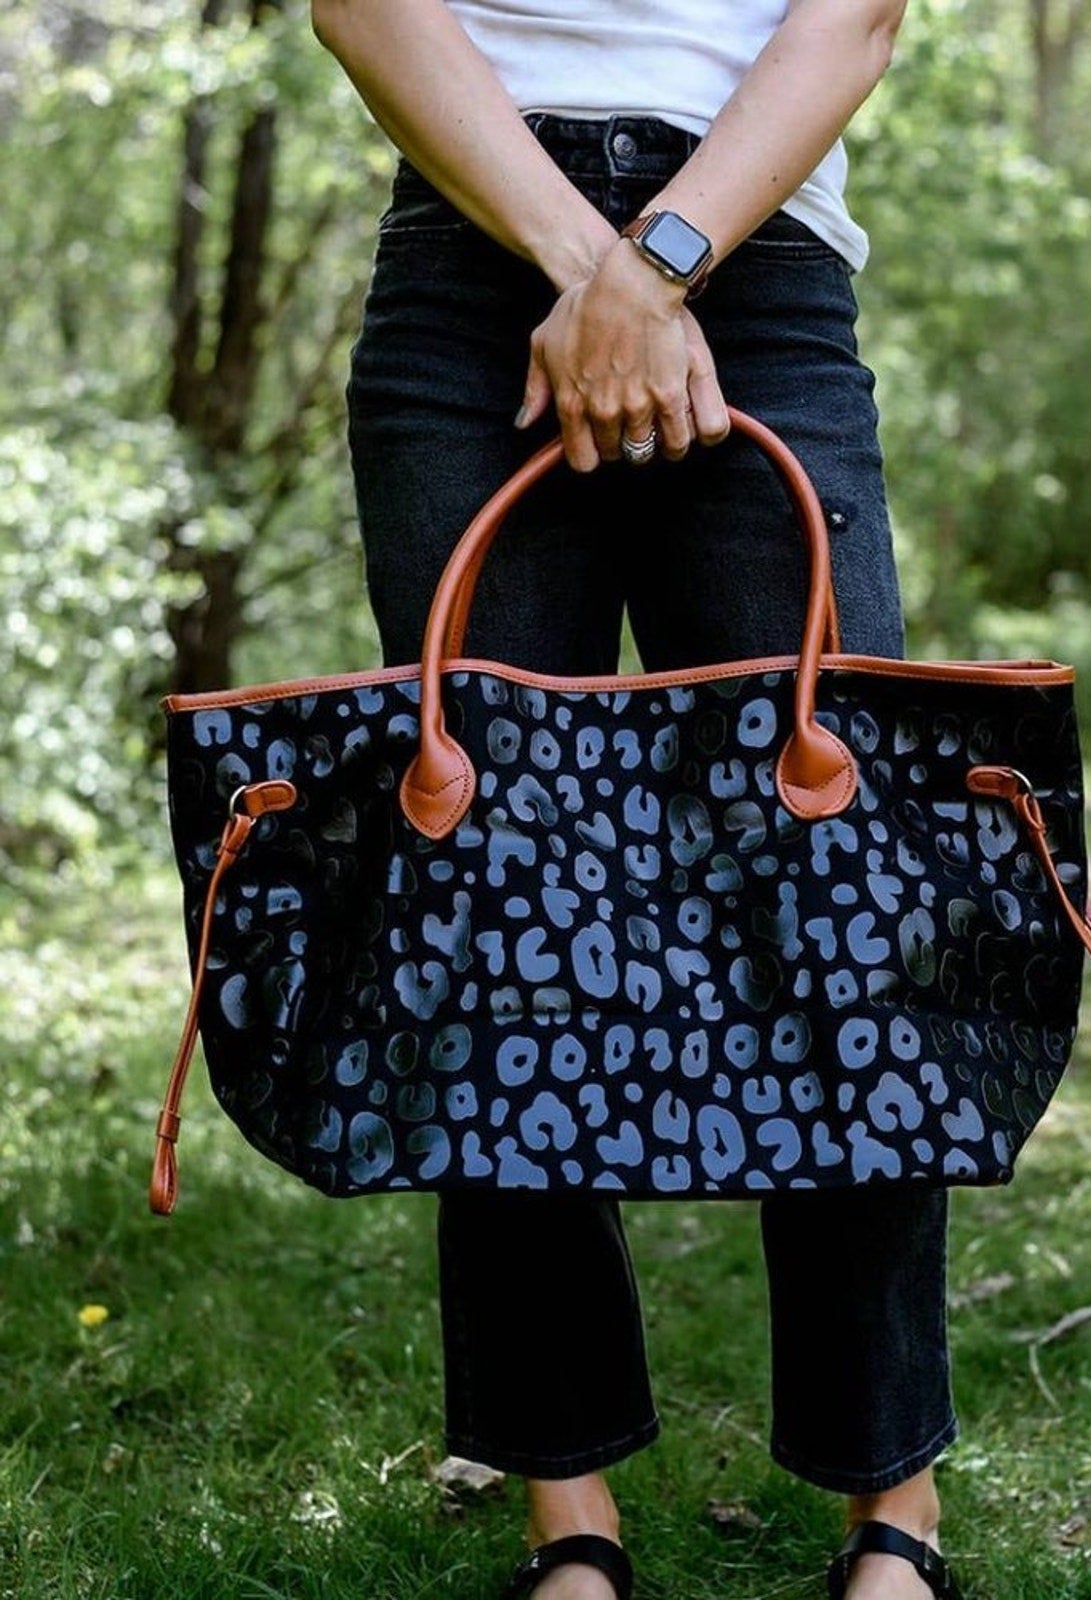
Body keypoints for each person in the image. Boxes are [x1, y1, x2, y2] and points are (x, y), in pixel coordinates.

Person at [310, 3, 965, 1597]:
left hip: (763, 251)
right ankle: (571, 1525)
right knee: (496, 907)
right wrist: (592, 270)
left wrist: (652, 268)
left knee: (839, 897)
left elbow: (856, 17)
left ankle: (894, 1514)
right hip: (473, 259)